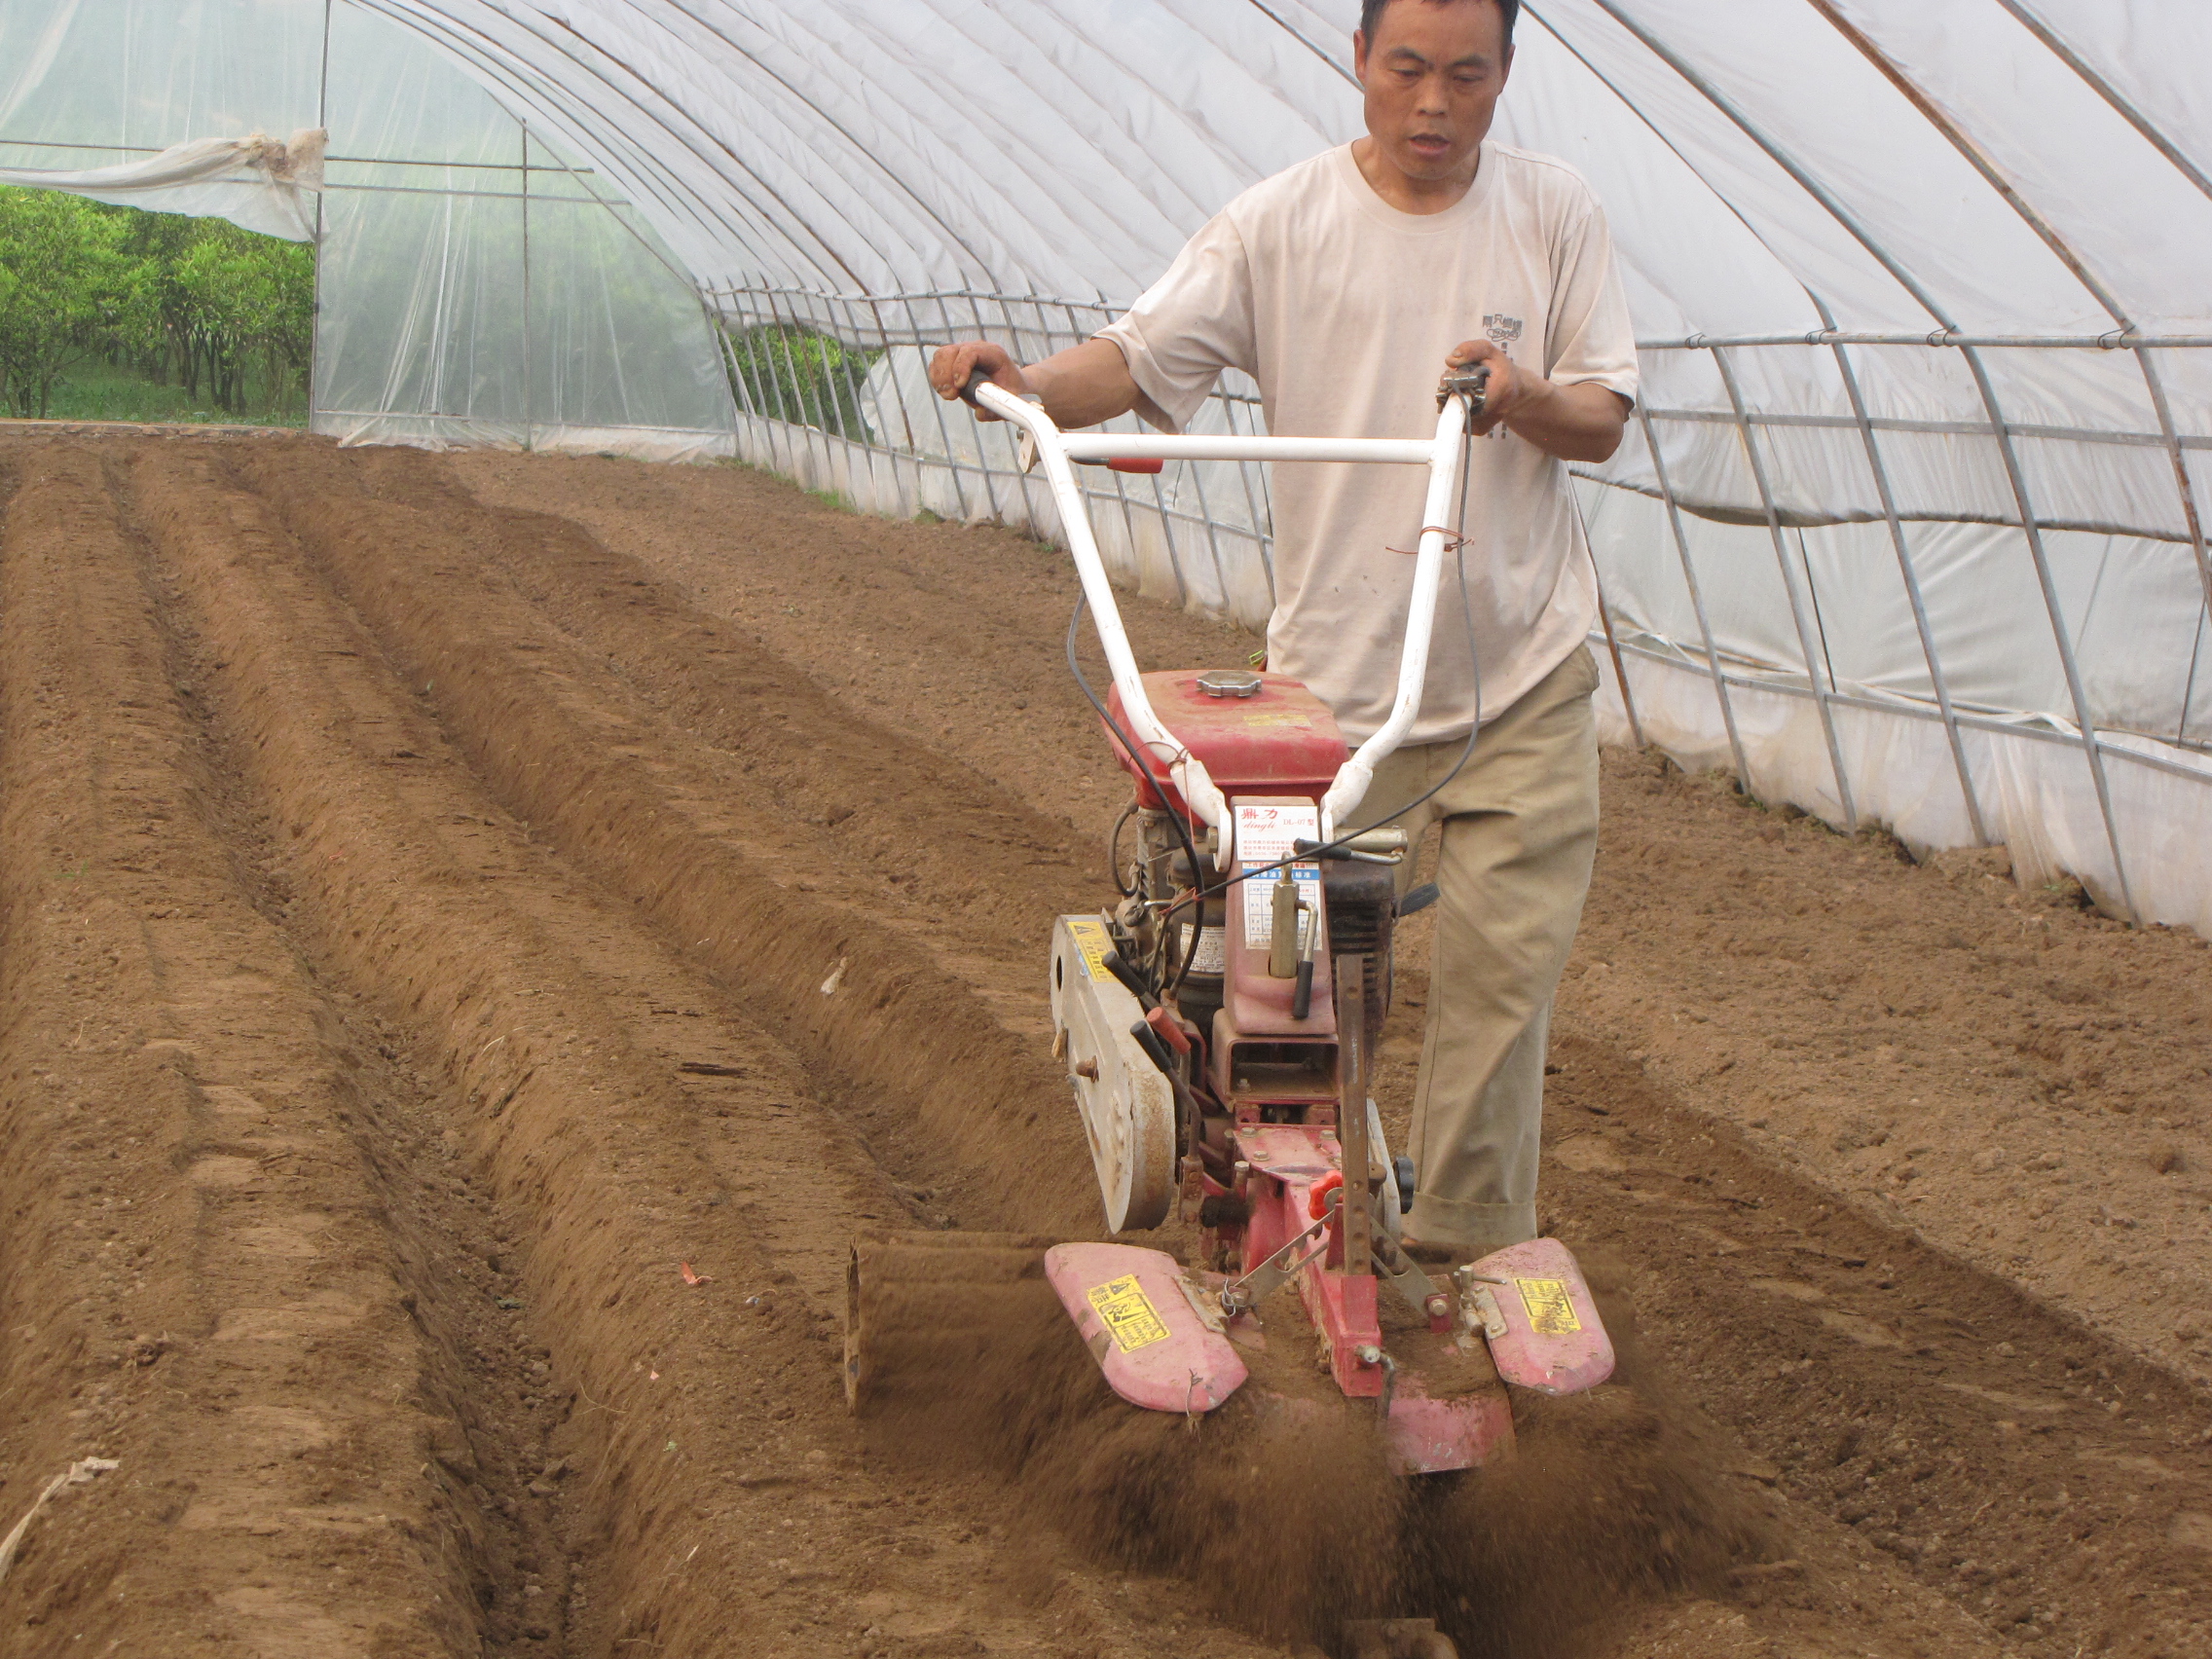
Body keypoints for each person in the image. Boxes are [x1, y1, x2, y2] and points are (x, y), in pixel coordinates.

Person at [928, 0, 1637, 1265]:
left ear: (1505, 75)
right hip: (1339, 699)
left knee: (1499, 991)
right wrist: (1024, 388)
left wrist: (1520, 395)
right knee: (1303, 1005)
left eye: (1464, 75)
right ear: (1360, 61)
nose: (1433, 102)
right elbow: (1141, 362)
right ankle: (1278, 1244)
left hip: (1521, 675)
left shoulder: (1554, 210)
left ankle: (1448, 1269)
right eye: (1407, 69)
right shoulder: (1282, 224)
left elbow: (1601, 415)